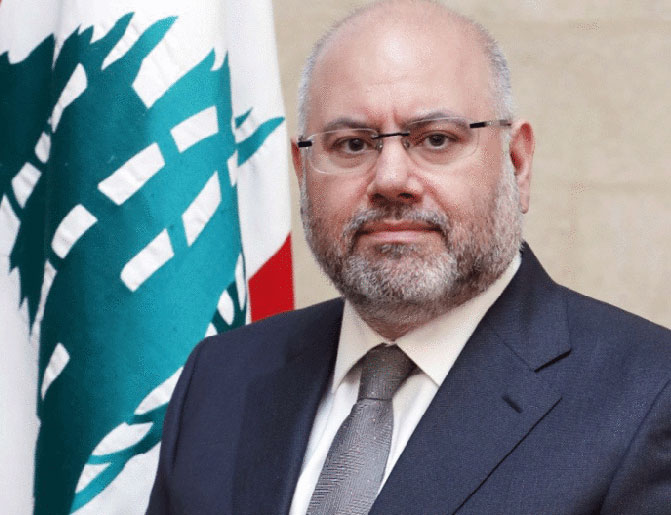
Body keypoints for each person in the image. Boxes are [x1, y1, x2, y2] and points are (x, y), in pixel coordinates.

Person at [146, 1, 671, 513]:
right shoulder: (218, 379)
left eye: (436, 139)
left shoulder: (648, 396)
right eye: (352, 145)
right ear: (302, 174)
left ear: (517, 162)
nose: (391, 179)